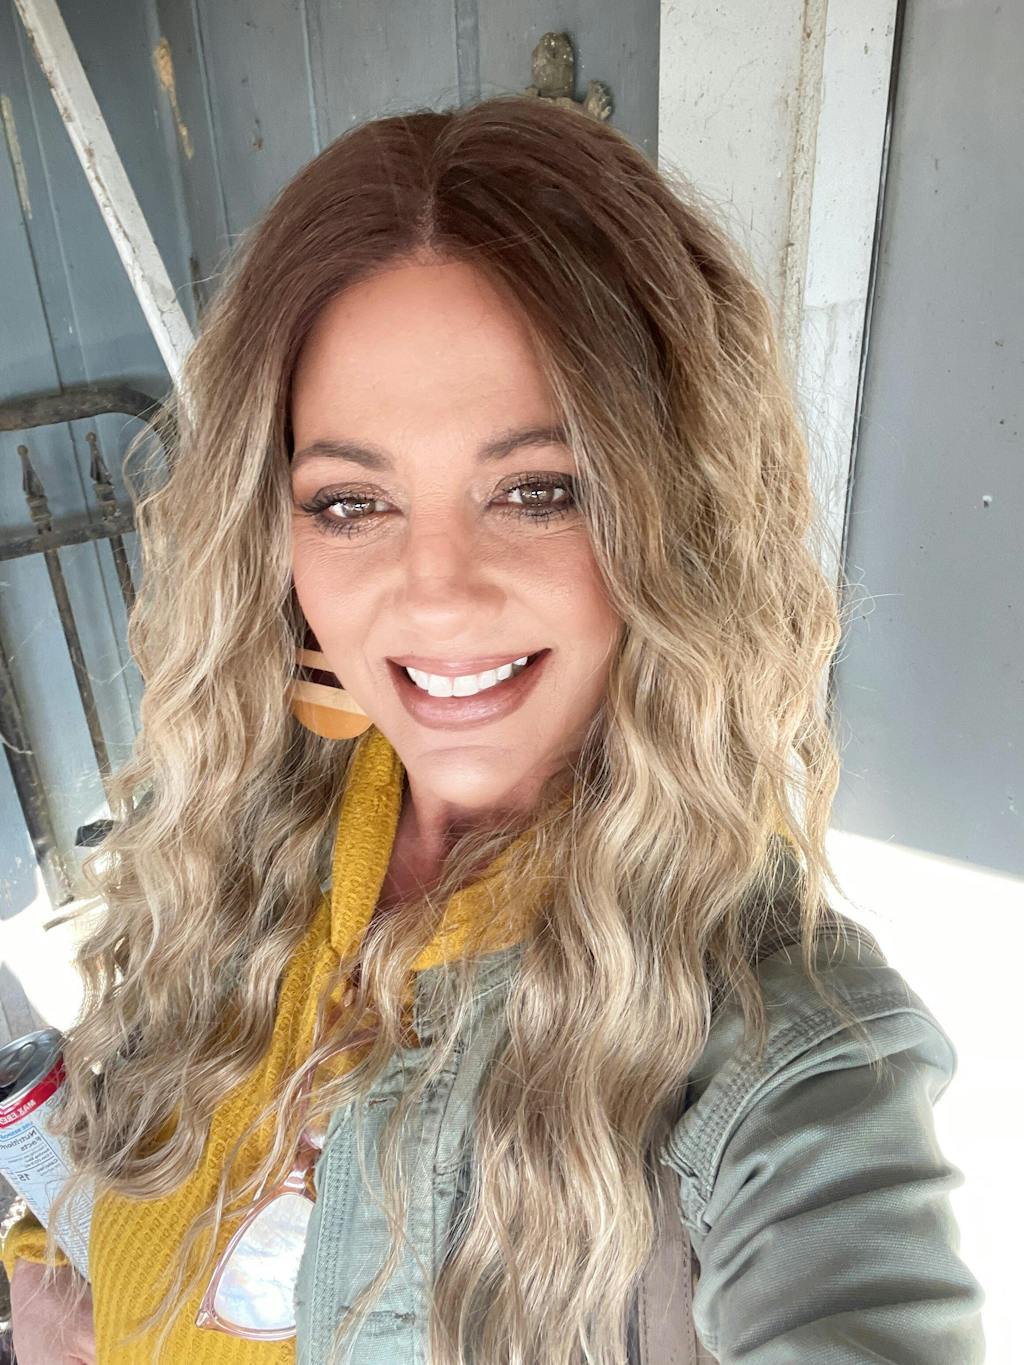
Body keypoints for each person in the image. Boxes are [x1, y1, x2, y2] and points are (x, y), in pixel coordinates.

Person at [2, 95, 985, 1365]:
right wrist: (50, 1268)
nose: (436, 597)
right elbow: (125, 1135)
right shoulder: (243, 815)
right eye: (351, 503)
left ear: (675, 512)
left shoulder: (780, 1055)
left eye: (537, 491)